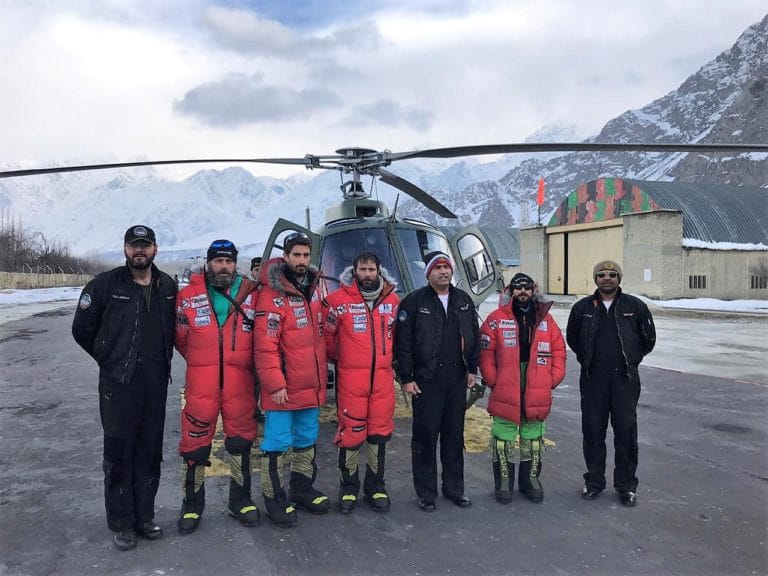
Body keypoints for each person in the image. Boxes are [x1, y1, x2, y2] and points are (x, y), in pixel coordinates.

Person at [71, 225, 176, 551]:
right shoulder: (104, 285)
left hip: (155, 384)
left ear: (155, 249)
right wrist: (110, 358)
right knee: (119, 454)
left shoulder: (167, 286)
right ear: (125, 249)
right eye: (134, 246)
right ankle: (122, 523)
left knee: (149, 451)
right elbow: (82, 329)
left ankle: (145, 517)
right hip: (119, 385)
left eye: (145, 245)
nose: (139, 251)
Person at [174, 240, 261, 534]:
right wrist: (205, 360)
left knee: (240, 442)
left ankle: (241, 500)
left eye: (228, 261)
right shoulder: (187, 296)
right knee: (195, 446)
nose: (223, 267)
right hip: (202, 383)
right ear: (208, 263)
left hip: (240, 383)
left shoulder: (252, 295)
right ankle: (192, 505)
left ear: (236, 264)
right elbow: (181, 338)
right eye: (218, 261)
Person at [254, 232, 330, 527]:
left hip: (310, 385)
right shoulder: (271, 293)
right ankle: (274, 498)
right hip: (283, 389)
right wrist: (275, 383)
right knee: (276, 443)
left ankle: (301, 488)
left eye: (305, 255)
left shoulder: (315, 289)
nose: (301, 261)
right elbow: (265, 344)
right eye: (295, 255)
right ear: (285, 256)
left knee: (306, 439)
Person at [394, 251, 479, 512]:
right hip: (426, 381)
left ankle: (455, 488)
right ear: (428, 273)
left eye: (447, 267)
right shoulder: (413, 302)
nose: (444, 271)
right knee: (425, 437)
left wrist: (472, 368)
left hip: (455, 378)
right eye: (438, 268)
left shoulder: (463, 301)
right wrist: (406, 377)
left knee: (454, 436)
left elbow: (473, 336)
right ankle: (426, 493)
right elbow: (403, 343)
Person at [566, 260, 656, 507]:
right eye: (602, 275)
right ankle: (594, 482)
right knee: (593, 431)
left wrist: (632, 360)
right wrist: (587, 358)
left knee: (626, 433)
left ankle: (626, 486)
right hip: (593, 379)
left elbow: (648, 339)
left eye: (612, 274)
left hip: (624, 380)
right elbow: (572, 337)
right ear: (595, 279)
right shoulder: (583, 308)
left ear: (619, 278)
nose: (607, 278)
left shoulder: (635, 307)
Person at [478, 273, 566, 504]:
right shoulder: (496, 318)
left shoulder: (546, 319)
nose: (523, 291)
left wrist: (552, 379)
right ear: (510, 290)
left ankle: (530, 481)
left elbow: (559, 350)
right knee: (503, 434)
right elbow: (485, 351)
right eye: (518, 287)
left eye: (527, 287)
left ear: (534, 290)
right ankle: (504, 482)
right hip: (507, 379)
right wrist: (492, 379)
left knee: (533, 434)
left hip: (537, 380)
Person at [323, 251, 400, 514]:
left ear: (379, 271)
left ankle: (375, 486)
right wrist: (346, 362)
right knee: (351, 434)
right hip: (351, 381)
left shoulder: (393, 301)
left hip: (382, 381)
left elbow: (399, 338)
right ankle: (349, 487)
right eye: (362, 269)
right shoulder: (337, 302)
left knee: (378, 433)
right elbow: (328, 342)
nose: (367, 274)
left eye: (371, 269)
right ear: (354, 271)